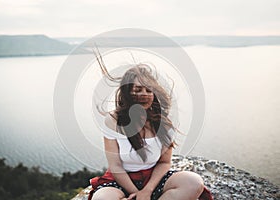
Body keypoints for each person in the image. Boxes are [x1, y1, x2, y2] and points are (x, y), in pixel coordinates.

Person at [89, 52, 213, 200]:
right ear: (127, 92)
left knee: (193, 183)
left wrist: (147, 191)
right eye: (138, 90)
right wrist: (136, 193)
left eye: (149, 90)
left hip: (154, 179)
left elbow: (164, 162)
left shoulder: (164, 124)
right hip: (121, 180)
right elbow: (115, 166)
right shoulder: (113, 121)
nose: (144, 94)